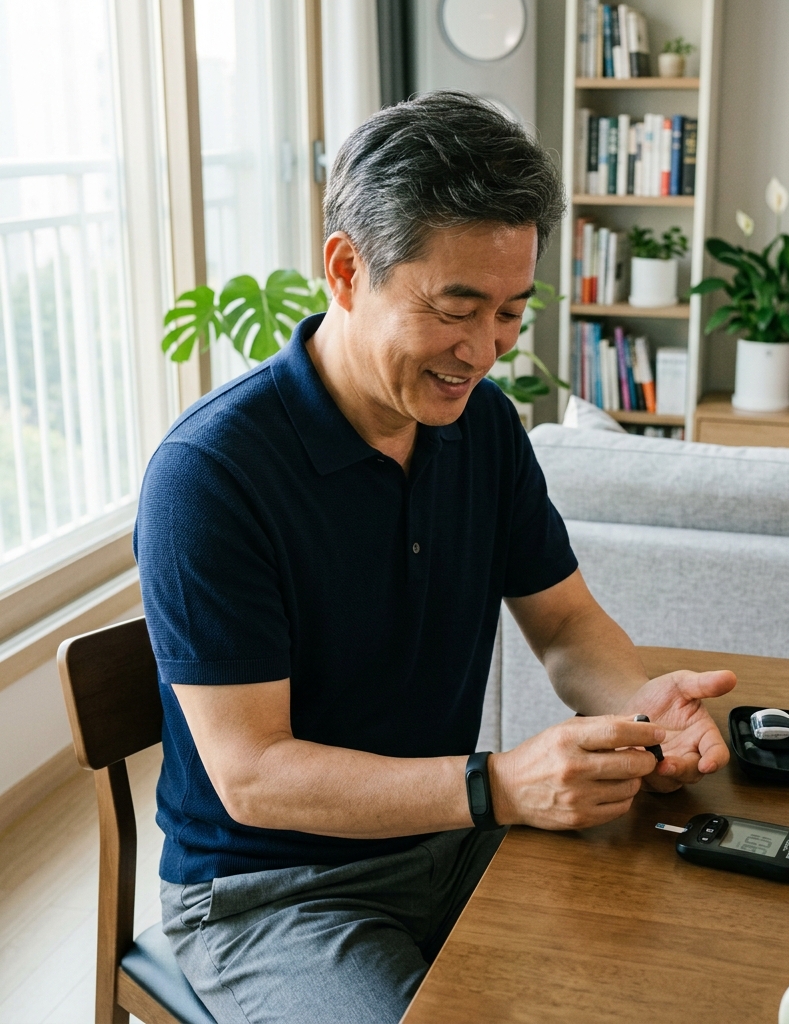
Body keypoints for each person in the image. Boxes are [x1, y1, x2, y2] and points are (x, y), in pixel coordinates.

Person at [134, 92, 737, 1024]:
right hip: (274, 893)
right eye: (456, 309)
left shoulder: (482, 427)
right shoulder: (211, 474)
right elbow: (253, 774)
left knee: (673, 967)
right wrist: (497, 783)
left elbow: (567, 623)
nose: (485, 351)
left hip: (455, 839)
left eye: (509, 312)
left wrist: (639, 705)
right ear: (345, 269)